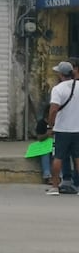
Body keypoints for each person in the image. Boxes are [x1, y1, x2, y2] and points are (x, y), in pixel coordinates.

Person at [45, 61, 79, 196]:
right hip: (78, 129)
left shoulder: (58, 89)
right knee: (78, 158)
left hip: (62, 130)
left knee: (58, 157)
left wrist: (50, 126)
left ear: (60, 74)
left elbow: (53, 110)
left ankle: (54, 187)